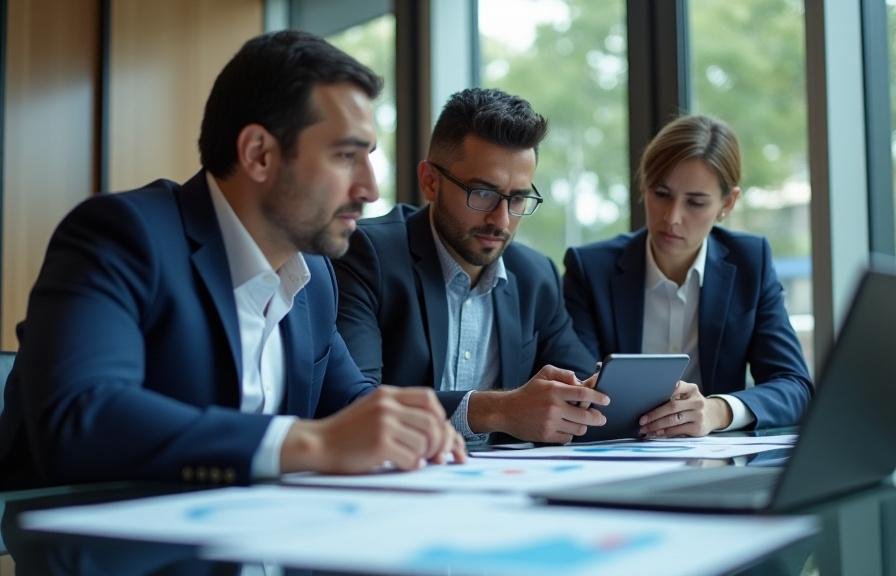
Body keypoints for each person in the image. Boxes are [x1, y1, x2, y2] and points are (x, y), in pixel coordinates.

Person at [0, 30, 465, 490]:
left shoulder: (314, 277)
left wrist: (410, 425)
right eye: (346, 156)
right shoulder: (122, 236)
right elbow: (81, 415)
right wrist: (310, 444)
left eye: (369, 158)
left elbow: (349, 406)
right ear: (259, 154)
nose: (370, 190)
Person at [333, 87, 609, 445]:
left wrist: (658, 405)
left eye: (519, 198)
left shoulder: (534, 276)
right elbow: (354, 405)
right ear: (430, 181)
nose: (502, 219)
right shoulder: (368, 255)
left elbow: (587, 389)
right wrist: (498, 410)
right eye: (482, 193)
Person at [563, 114, 812, 436]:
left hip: (711, 460)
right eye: (661, 194)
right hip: (611, 450)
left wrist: (716, 411)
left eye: (695, 202)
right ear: (643, 185)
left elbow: (795, 387)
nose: (673, 217)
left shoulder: (751, 263)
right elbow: (573, 386)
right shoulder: (590, 269)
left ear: (728, 203)